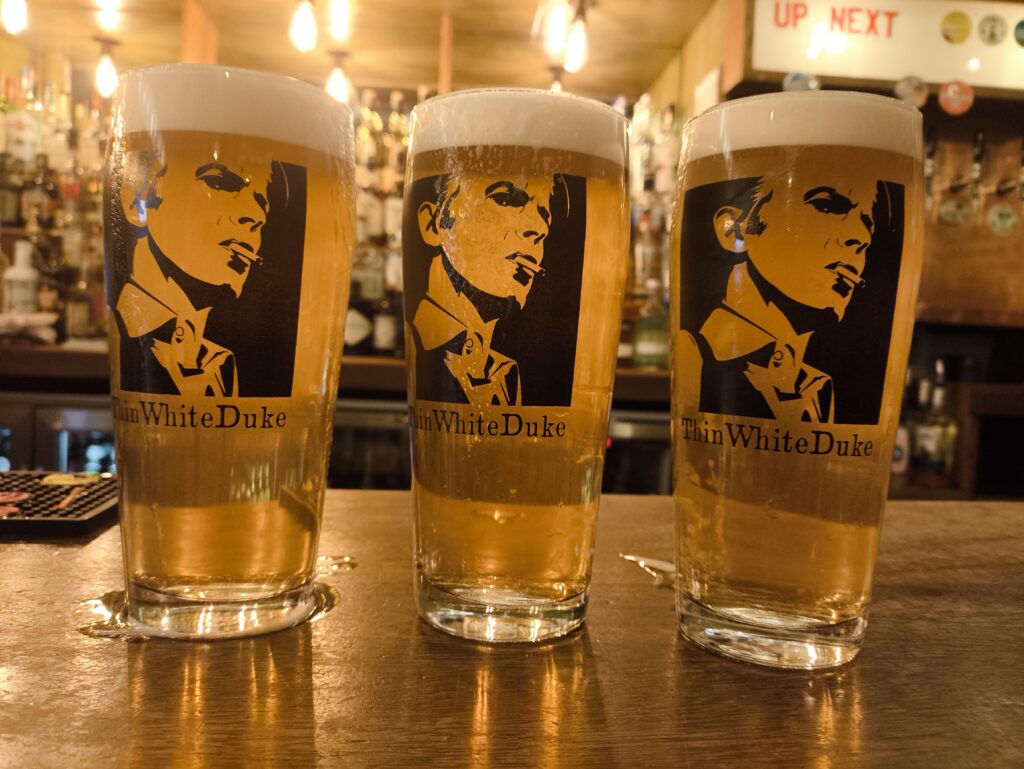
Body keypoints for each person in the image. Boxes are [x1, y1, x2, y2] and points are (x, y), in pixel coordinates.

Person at [678, 171, 882, 423]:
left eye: (868, 223)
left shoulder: (818, 385)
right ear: (736, 232)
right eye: (827, 205)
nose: (862, 237)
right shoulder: (695, 354)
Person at [113, 149, 272, 397]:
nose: (257, 215)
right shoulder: (117, 336)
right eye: (220, 182)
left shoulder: (220, 361)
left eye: (263, 201)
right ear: (137, 201)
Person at [410, 172, 563, 406]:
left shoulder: (506, 373)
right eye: (506, 199)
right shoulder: (415, 344)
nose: (540, 228)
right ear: (434, 224)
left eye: (546, 216)